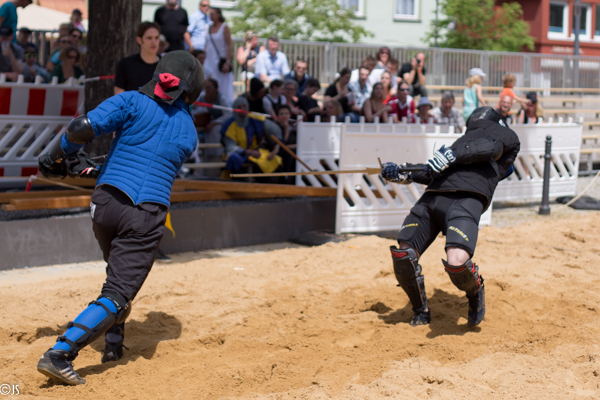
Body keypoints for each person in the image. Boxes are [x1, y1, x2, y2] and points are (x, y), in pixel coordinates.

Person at [36, 50, 204, 386]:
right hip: (145, 216)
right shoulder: (189, 133)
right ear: (192, 92)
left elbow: (83, 127)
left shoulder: (129, 101)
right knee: (118, 290)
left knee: (116, 276)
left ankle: (113, 342)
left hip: (105, 206)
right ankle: (60, 353)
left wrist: (53, 158)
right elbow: (151, 162)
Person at [379, 106, 520, 327]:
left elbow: (490, 148)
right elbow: (431, 171)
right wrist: (402, 172)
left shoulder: (504, 137)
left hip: (466, 199)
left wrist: (451, 154)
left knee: (457, 263)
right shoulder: (461, 144)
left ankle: (475, 292)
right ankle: (421, 311)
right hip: (433, 197)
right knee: (403, 255)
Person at [221, 96, 281, 178]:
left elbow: (274, 129)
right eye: (239, 107)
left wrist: (276, 147)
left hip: (255, 151)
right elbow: (230, 147)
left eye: (244, 106)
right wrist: (247, 152)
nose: (242, 109)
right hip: (238, 153)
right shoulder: (229, 125)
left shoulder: (255, 119)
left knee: (273, 159)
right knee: (234, 158)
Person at [114, 22, 160, 95]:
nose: (153, 42)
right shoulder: (125, 64)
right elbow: (119, 95)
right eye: (149, 38)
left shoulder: (167, 66)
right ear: (139, 40)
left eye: (156, 38)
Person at [192, 77, 231, 161]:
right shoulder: (202, 97)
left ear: (215, 89)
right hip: (209, 121)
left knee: (215, 129)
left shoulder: (222, 98)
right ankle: (203, 156)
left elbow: (229, 114)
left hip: (222, 122)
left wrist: (214, 123)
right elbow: (196, 108)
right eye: (205, 87)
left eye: (209, 88)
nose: (206, 90)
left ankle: (218, 156)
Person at [204, 7, 233, 104]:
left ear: (218, 15)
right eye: (209, 14)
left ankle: (226, 106)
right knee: (210, 84)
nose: (210, 16)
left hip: (220, 62)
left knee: (223, 86)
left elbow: (229, 45)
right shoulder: (208, 27)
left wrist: (227, 62)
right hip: (209, 61)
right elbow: (206, 44)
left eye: (212, 14)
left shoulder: (224, 27)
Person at [275, 104, 297, 182]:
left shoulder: (294, 128)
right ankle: (285, 179)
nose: (284, 116)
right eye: (281, 114)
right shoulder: (275, 128)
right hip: (280, 153)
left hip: (293, 152)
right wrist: (286, 129)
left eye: (286, 113)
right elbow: (282, 146)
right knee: (289, 153)